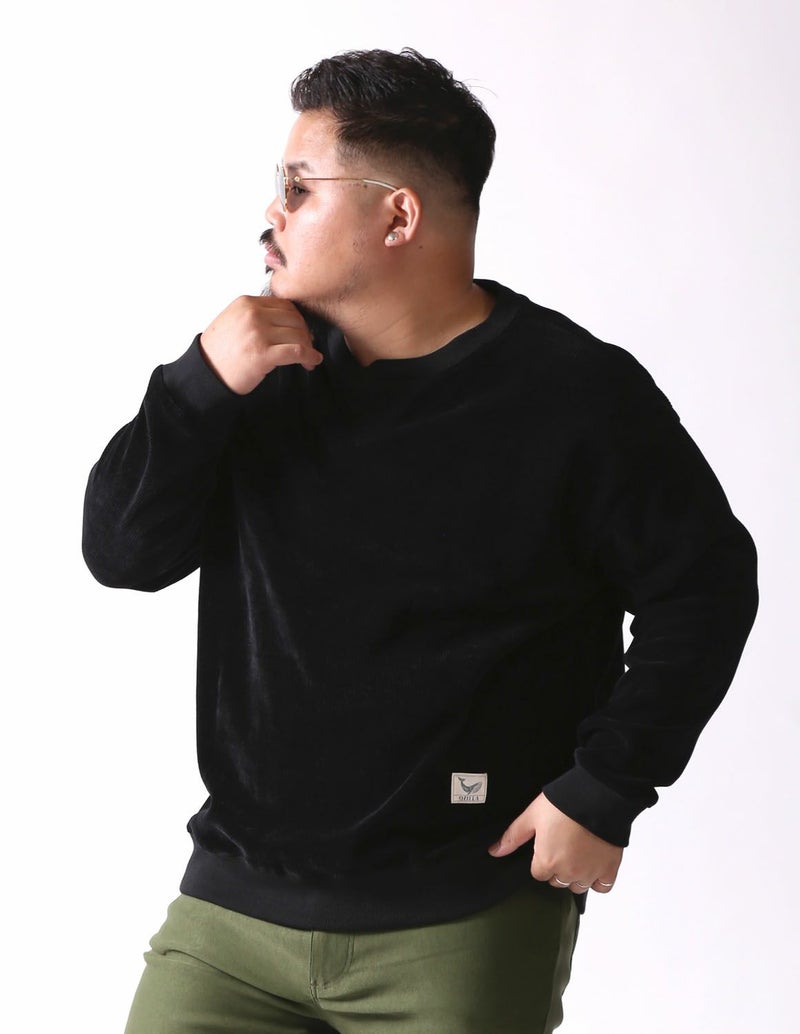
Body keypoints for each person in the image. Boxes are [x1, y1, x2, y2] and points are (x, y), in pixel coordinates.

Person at [82, 47, 758, 1034]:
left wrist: (607, 784)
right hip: (231, 911)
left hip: (459, 921)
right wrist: (195, 386)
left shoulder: (573, 396)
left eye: (298, 187)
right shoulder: (256, 371)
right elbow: (121, 554)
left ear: (397, 216)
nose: (270, 213)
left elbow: (702, 585)